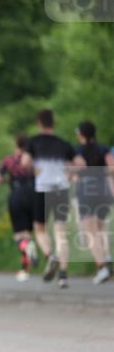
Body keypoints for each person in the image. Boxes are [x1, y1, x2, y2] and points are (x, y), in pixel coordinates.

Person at [22, 109, 76, 288]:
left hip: (42, 189)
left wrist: (35, 168)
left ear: (39, 123)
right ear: (54, 123)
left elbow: (25, 163)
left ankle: (49, 255)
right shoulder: (64, 144)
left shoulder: (33, 142)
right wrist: (69, 176)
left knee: (40, 228)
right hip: (61, 189)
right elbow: (80, 164)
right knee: (61, 232)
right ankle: (63, 275)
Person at [70, 120, 112, 284]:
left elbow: (73, 172)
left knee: (90, 232)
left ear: (81, 134)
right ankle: (106, 256)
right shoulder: (104, 149)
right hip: (104, 191)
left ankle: (102, 268)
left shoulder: (76, 151)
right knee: (101, 228)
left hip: (87, 192)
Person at [0, 133, 38, 281]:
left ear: (16, 145)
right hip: (34, 195)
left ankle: (27, 249)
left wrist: (9, 180)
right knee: (28, 234)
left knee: (20, 235)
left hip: (17, 195)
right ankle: (24, 270)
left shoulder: (9, 160)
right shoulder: (33, 159)